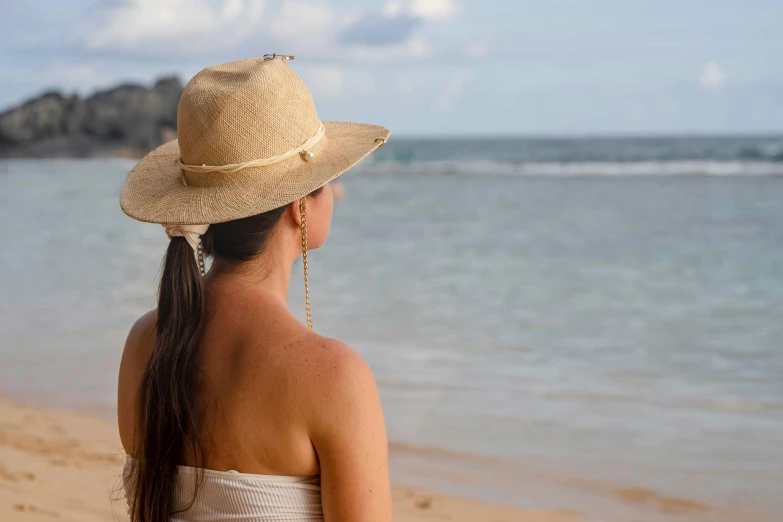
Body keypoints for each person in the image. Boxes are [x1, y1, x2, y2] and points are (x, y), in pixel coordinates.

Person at [117, 55, 392, 522]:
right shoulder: (335, 378)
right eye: (326, 179)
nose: (334, 192)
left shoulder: (145, 343)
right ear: (298, 209)